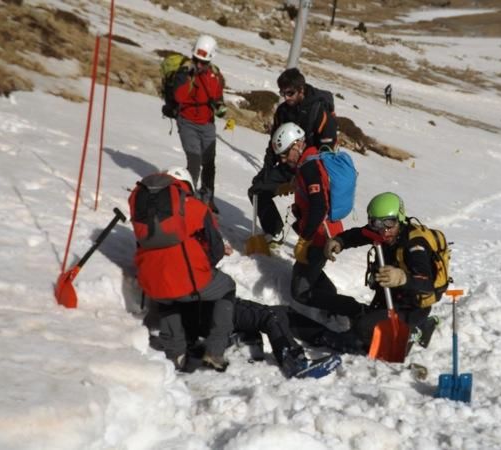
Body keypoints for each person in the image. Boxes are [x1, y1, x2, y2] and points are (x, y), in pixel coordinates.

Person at [133, 167, 339, 378]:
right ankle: (296, 361)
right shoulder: (194, 209)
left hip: (171, 310)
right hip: (201, 301)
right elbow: (214, 253)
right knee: (270, 314)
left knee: (232, 312)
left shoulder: (146, 218)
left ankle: (197, 349)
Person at [316, 192, 440, 354]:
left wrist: (402, 278)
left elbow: (427, 283)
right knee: (364, 321)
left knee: (365, 331)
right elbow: (360, 234)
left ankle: (415, 330)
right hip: (391, 298)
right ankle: (410, 327)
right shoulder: (383, 232)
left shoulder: (415, 245)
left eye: (389, 222)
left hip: (412, 306)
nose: (384, 231)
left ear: (400, 218)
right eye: (376, 223)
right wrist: (340, 241)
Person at [271, 123, 365, 320]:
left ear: (297, 145)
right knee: (303, 273)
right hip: (320, 232)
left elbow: (319, 207)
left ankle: (351, 310)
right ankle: (332, 307)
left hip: (321, 235)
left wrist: (304, 240)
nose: (283, 159)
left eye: (285, 153)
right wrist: (294, 186)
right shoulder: (309, 160)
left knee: (300, 291)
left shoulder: (309, 166)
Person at [247, 67, 338, 244]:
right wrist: (266, 172)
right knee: (257, 190)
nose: (286, 97)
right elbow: (274, 145)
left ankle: (312, 244)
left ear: (301, 89)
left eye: (290, 93)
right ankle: (274, 232)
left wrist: (301, 178)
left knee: (312, 207)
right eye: (283, 93)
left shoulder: (319, 110)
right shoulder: (283, 111)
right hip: (289, 166)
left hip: (313, 169)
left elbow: (328, 150)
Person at [172, 34, 226, 214]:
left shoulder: (215, 75)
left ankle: (208, 197)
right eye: (197, 60)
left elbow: (218, 97)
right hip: (187, 122)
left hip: (207, 124)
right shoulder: (184, 72)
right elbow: (179, 97)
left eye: (203, 61)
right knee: (194, 161)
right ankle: (188, 197)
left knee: (209, 163)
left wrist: (220, 107)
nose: (199, 64)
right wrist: (188, 77)